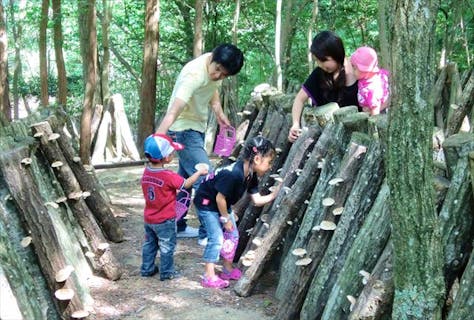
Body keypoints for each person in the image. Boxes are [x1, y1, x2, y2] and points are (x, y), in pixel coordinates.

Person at [156, 43, 244, 241]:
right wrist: (160, 135)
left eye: (223, 75)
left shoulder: (216, 66)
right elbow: (174, 109)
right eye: (217, 70)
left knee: (185, 182)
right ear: (213, 58)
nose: (217, 76)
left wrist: (219, 114)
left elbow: (212, 90)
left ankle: (177, 225)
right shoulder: (193, 75)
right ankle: (210, 234)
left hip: (197, 129)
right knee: (208, 180)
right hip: (184, 130)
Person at [194, 136, 280, 288]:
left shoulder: (250, 174)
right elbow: (220, 198)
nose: (270, 166)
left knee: (233, 235)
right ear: (258, 159)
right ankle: (209, 275)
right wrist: (226, 218)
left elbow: (257, 200)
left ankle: (227, 269)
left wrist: (274, 195)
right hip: (207, 205)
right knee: (217, 238)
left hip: (220, 204)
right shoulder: (233, 174)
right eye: (269, 162)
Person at [140, 134, 208, 280]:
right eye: (171, 153)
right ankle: (167, 272)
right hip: (165, 220)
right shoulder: (167, 175)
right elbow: (186, 184)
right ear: (165, 158)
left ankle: (147, 268)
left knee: (149, 244)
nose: (173, 155)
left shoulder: (146, 172)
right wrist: (199, 172)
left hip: (149, 218)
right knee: (167, 247)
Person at [288, 30, 358, 143]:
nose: (321, 65)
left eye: (324, 60)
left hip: (353, 141)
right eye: (317, 61)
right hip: (323, 139)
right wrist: (295, 124)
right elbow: (299, 99)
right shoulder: (318, 74)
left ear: (337, 54)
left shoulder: (357, 71)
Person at [350, 46, 390, 115]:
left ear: (365, 70)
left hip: (376, 115)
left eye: (355, 68)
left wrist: (369, 118)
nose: (352, 71)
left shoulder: (372, 89)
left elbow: (375, 113)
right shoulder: (366, 78)